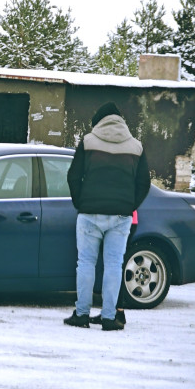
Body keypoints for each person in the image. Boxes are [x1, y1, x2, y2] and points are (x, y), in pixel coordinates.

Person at [64, 102, 150, 331]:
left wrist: (80, 203)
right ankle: (109, 318)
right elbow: (144, 183)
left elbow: (73, 176)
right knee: (114, 265)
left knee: (86, 264)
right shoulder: (136, 147)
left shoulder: (88, 142)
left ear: (99, 121)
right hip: (121, 215)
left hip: (90, 214)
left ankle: (82, 314)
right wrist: (130, 204)